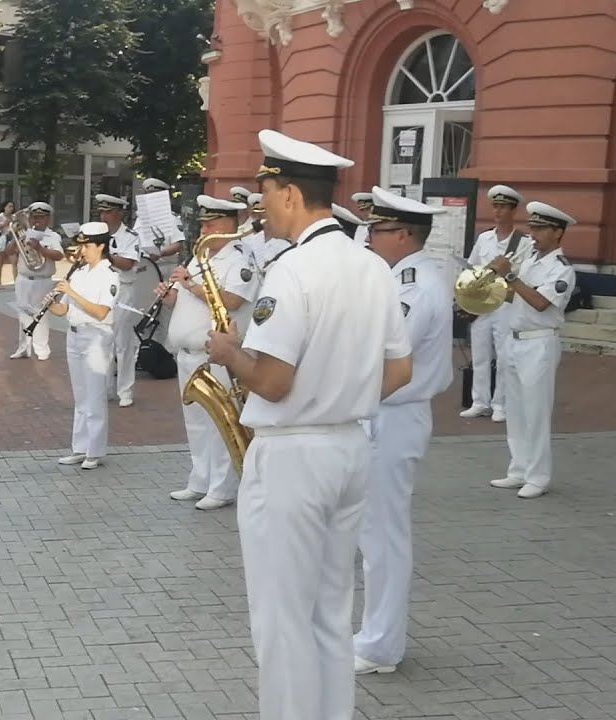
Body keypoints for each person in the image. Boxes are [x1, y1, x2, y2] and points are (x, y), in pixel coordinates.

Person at [206, 129, 412, 720]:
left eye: (266, 192)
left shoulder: (292, 270)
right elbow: (400, 369)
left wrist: (230, 353)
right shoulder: (372, 266)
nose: (260, 206)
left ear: (291, 193)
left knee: (282, 619)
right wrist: (340, 396)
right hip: (348, 447)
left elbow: (272, 381)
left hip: (293, 456)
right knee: (329, 611)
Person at [354, 186, 454, 675]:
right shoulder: (398, 278)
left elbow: (386, 352)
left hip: (395, 415)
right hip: (382, 412)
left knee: (384, 536)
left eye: (378, 229)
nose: (369, 236)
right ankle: (375, 635)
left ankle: (381, 646)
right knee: (370, 533)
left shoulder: (416, 286)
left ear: (403, 235)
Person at [163, 195, 259, 510]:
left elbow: (233, 300)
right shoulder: (200, 256)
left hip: (216, 353)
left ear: (228, 224)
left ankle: (223, 487)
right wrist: (170, 297)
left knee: (221, 421)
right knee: (196, 422)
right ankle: (200, 480)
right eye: (202, 223)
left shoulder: (240, 258)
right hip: (187, 352)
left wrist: (190, 285)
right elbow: (186, 299)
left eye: (210, 223)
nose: (203, 229)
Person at [488, 201, 577, 500]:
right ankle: (519, 469)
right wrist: (486, 288)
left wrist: (510, 276)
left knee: (535, 413)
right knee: (515, 411)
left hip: (539, 343)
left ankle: (539, 477)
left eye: (540, 229)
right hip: (515, 339)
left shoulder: (562, 269)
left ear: (557, 232)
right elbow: (515, 296)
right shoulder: (528, 260)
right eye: (532, 227)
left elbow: (540, 303)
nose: (533, 234)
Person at [47, 222, 117, 469]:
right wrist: (49, 304)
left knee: (95, 395)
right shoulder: (79, 272)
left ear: (100, 246)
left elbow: (100, 312)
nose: (82, 250)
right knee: (80, 395)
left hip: (96, 337)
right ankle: (79, 447)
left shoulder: (109, 275)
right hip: (75, 334)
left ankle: (94, 451)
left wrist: (73, 293)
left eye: (87, 246)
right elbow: (65, 308)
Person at [460, 185, 527, 422]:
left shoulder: (523, 242)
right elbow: (471, 266)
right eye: (495, 206)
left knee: (504, 355)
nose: (497, 211)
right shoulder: (484, 238)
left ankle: (500, 404)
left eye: (503, 207)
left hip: (506, 303)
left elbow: (524, 276)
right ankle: (480, 402)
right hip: (482, 303)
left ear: (513, 210)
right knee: (479, 353)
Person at [96, 194, 142, 407]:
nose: (103, 217)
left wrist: (104, 254)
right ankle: (105, 388)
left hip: (123, 290)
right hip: (101, 289)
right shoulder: (97, 234)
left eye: (108, 212)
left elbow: (127, 263)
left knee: (123, 343)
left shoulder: (130, 236)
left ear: (119, 213)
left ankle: (125, 390)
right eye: (102, 212)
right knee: (103, 340)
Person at [5, 202, 63, 360]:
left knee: (41, 314)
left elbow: (59, 255)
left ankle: (42, 349)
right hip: (23, 279)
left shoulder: (52, 236)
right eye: (33, 217)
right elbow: (8, 251)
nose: (36, 221)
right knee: (23, 314)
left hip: (43, 280)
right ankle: (24, 348)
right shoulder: (24, 233)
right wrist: (15, 239)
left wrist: (40, 248)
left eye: (41, 217)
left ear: (48, 219)